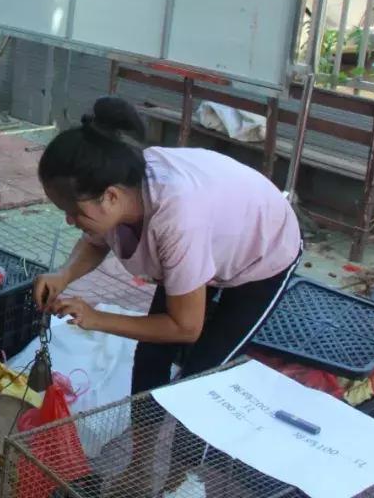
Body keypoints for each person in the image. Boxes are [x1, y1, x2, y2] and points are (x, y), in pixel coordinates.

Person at [33, 96, 302, 494]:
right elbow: (96, 239)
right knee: (150, 357)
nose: (71, 221)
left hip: (260, 254)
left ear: (109, 196)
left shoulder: (176, 218)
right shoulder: (120, 182)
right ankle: (139, 467)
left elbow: (185, 326)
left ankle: (177, 479)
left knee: (201, 379)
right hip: (209, 238)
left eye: (74, 212)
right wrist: (64, 274)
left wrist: (97, 318)